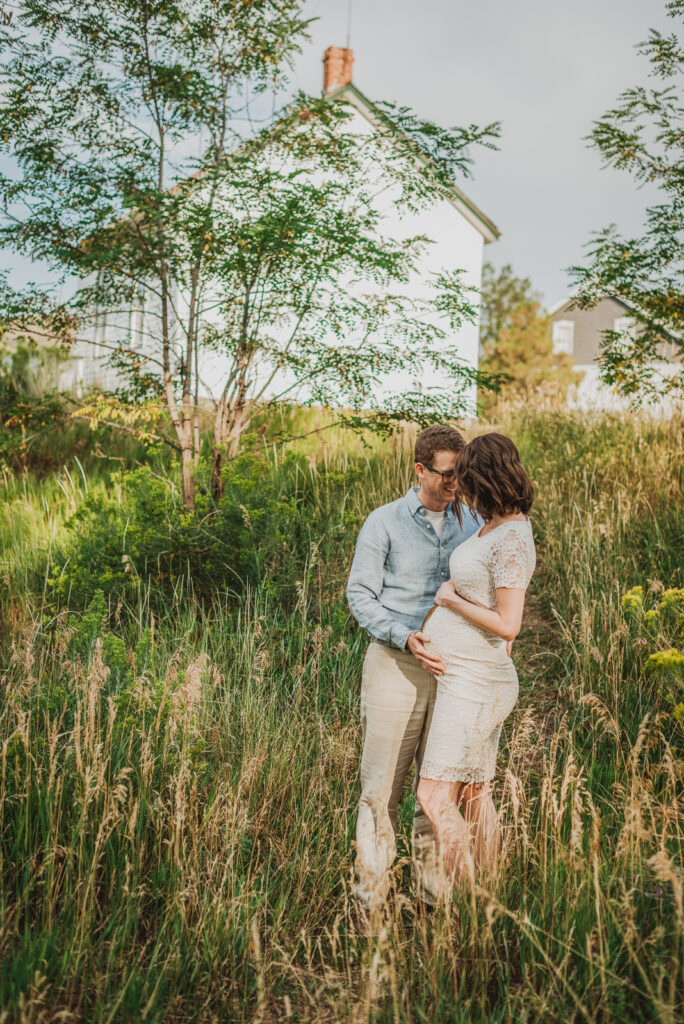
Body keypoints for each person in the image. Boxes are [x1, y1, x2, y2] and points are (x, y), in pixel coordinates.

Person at [346, 424, 483, 919]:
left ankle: (430, 899)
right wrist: (405, 635)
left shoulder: (475, 521)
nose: (455, 484)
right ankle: (370, 902)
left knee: (438, 788)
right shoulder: (383, 523)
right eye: (447, 475)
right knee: (380, 789)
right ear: (420, 470)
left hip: (454, 673)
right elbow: (359, 595)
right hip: (396, 667)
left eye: (461, 475)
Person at [416, 432, 536, 886]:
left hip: (475, 684)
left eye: (467, 479)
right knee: (473, 794)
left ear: (486, 477)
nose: (461, 489)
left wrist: (448, 600)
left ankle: (467, 902)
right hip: (469, 677)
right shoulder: (495, 526)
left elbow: (509, 624)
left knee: (433, 796)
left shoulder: (511, 539)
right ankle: (491, 893)